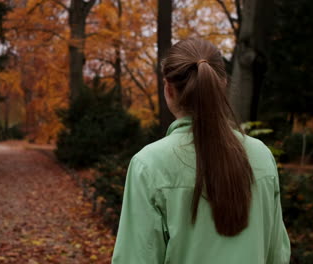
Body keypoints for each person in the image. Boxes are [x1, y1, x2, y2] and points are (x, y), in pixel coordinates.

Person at [111, 38, 291, 264]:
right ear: (222, 84)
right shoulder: (262, 156)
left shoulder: (149, 164)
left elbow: (135, 258)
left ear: (168, 90)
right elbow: (277, 255)